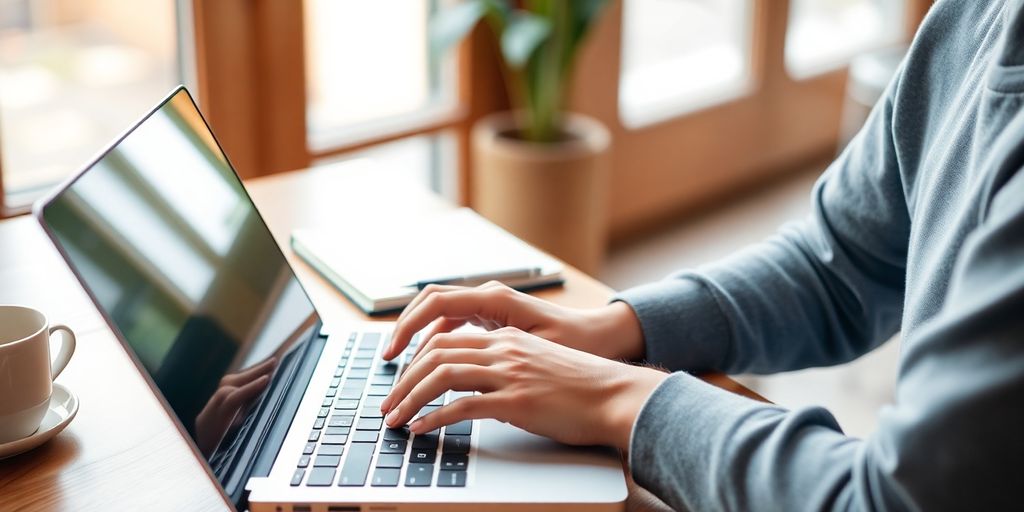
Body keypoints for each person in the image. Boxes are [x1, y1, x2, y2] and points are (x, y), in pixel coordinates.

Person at [380, 1, 1024, 509]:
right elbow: (842, 260)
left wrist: (618, 398)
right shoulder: (974, 16)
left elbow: (892, 501)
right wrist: (613, 328)